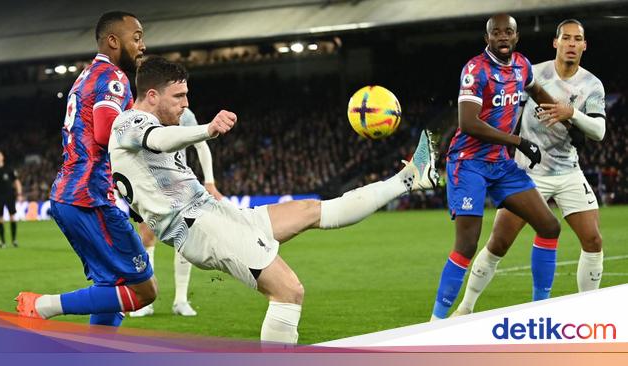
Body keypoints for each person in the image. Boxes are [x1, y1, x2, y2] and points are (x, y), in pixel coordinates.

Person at [108, 55, 437, 343]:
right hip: (201, 227)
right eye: (178, 96)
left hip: (214, 215)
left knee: (310, 210)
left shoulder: (153, 124)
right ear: (151, 96)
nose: (185, 104)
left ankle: (408, 180)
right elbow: (159, 140)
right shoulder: (130, 123)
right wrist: (207, 129)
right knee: (288, 291)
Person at [453, 19, 606, 316]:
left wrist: (571, 113)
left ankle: (590, 312)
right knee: (499, 242)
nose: (572, 44)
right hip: (528, 172)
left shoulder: (592, 84)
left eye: (578, 39)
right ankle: (466, 307)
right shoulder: (532, 72)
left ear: (584, 45)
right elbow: (503, 109)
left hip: (568, 171)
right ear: (556, 42)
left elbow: (599, 131)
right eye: (566, 38)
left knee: (593, 239)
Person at [15, 11, 157, 327]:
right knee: (144, 291)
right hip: (91, 199)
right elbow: (108, 134)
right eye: (136, 38)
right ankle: (43, 306)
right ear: (113, 40)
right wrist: (147, 139)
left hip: (71, 196)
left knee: (110, 287)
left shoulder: (86, 76)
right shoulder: (113, 78)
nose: (142, 46)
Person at [430, 14, 574, 321]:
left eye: (508, 31)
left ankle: (540, 312)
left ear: (517, 36)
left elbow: (537, 92)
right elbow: (468, 123)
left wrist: (560, 114)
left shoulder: (522, 66)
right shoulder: (475, 70)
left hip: (500, 164)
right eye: (496, 33)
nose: (503, 37)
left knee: (550, 226)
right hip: (468, 163)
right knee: (467, 245)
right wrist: (518, 141)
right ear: (488, 39)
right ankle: (436, 322)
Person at [129, 107, 224, 318]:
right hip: (147, 184)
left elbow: (201, 144)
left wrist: (209, 181)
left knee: (185, 239)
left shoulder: (185, 114)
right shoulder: (140, 113)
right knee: (146, 238)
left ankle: (181, 300)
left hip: (178, 184)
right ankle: (146, 301)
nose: (183, 99)